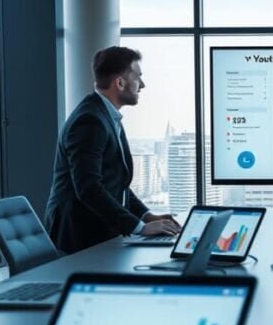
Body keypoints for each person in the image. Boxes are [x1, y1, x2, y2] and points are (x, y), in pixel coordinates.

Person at [45, 46, 180, 254]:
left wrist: (146, 216)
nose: (142, 85)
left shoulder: (105, 116)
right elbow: (89, 188)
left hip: (99, 234)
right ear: (119, 82)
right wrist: (140, 228)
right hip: (80, 240)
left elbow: (118, 183)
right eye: (138, 78)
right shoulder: (89, 121)